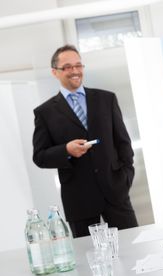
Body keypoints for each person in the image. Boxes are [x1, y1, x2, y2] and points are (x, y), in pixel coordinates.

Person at [33, 44, 138, 238]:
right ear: (55, 72)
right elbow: (39, 156)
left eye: (78, 65)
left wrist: (125, 179)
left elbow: (123, 144)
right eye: (67, 67)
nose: (75, 71)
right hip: (79, 201)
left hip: (116, 193)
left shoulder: (106, 99)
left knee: (133, 249)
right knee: (89, 258)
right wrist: (66, 150)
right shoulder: (45, 112)